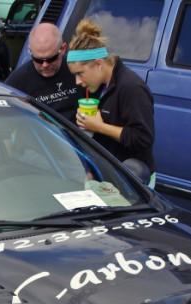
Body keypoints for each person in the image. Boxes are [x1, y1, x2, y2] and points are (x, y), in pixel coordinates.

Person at [66, 19, 156, 184]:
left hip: (134, 181)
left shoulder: (131, 88)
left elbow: (142, 138)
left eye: (80, 73)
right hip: (107, 174)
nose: (78, 82)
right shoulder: (99, 86)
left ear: (98, 64)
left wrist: (99, 127)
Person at [5, 23, 80, 122]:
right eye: (38, 60)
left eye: (51, 59)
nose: (45, 65)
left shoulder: (78, 70)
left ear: (63, 49)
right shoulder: (18, 81)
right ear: (30, 52)